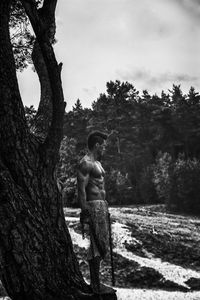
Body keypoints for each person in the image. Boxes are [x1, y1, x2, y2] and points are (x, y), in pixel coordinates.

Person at [77, 131, 114, 295]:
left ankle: (97, 283)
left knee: (102, 244)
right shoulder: (85, 163)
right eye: (103, 145)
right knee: (96, 245)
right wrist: (84, 211)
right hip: (93, 206)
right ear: (97, 145)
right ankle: (95, 285)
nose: (104, 148)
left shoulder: (97, 163)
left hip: (102, 206)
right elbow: (81, 190)